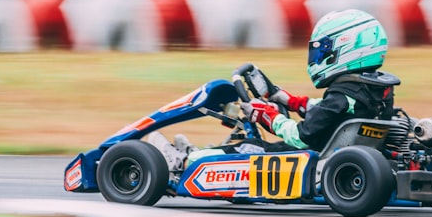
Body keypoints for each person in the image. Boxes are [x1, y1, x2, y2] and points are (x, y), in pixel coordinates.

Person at [147, 9, 399, 169]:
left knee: (247, 148)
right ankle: (193, 153)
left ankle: (182, 160)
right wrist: (288, 100)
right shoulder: (370, 89)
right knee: (250, 143)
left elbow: (301, 136)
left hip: (309, 157)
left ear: (344, 49)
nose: (318, 55)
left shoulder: (343, 95)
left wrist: (268, 116)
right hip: (337, 151)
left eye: (323, 49)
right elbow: (331, 112)